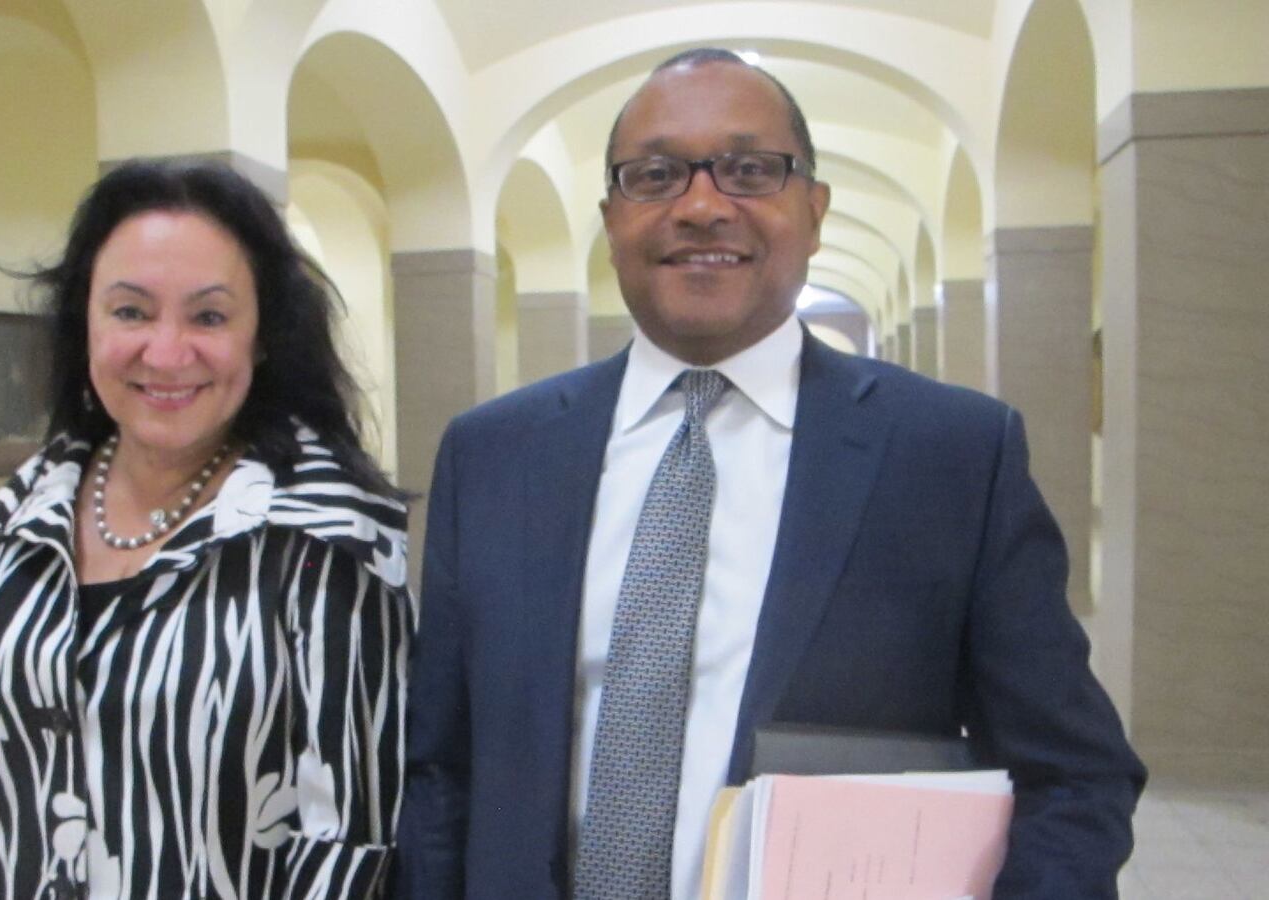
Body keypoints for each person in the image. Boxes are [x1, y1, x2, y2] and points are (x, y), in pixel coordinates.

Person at [393, 49, 1144, 900]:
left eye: (751, 170)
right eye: (656, 174)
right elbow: (442, 771)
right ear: (611, 216)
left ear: (815, 212)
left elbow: (1074, 778)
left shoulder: (953, 456)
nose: (703, 205)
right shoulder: (494, 456)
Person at [0, 161, 412, 900]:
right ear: (85, 320)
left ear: (263, 337)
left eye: (209, 316)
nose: (167, 352)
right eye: (131, 311)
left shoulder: (328, 542)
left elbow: (349, 844)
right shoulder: (25, 513)